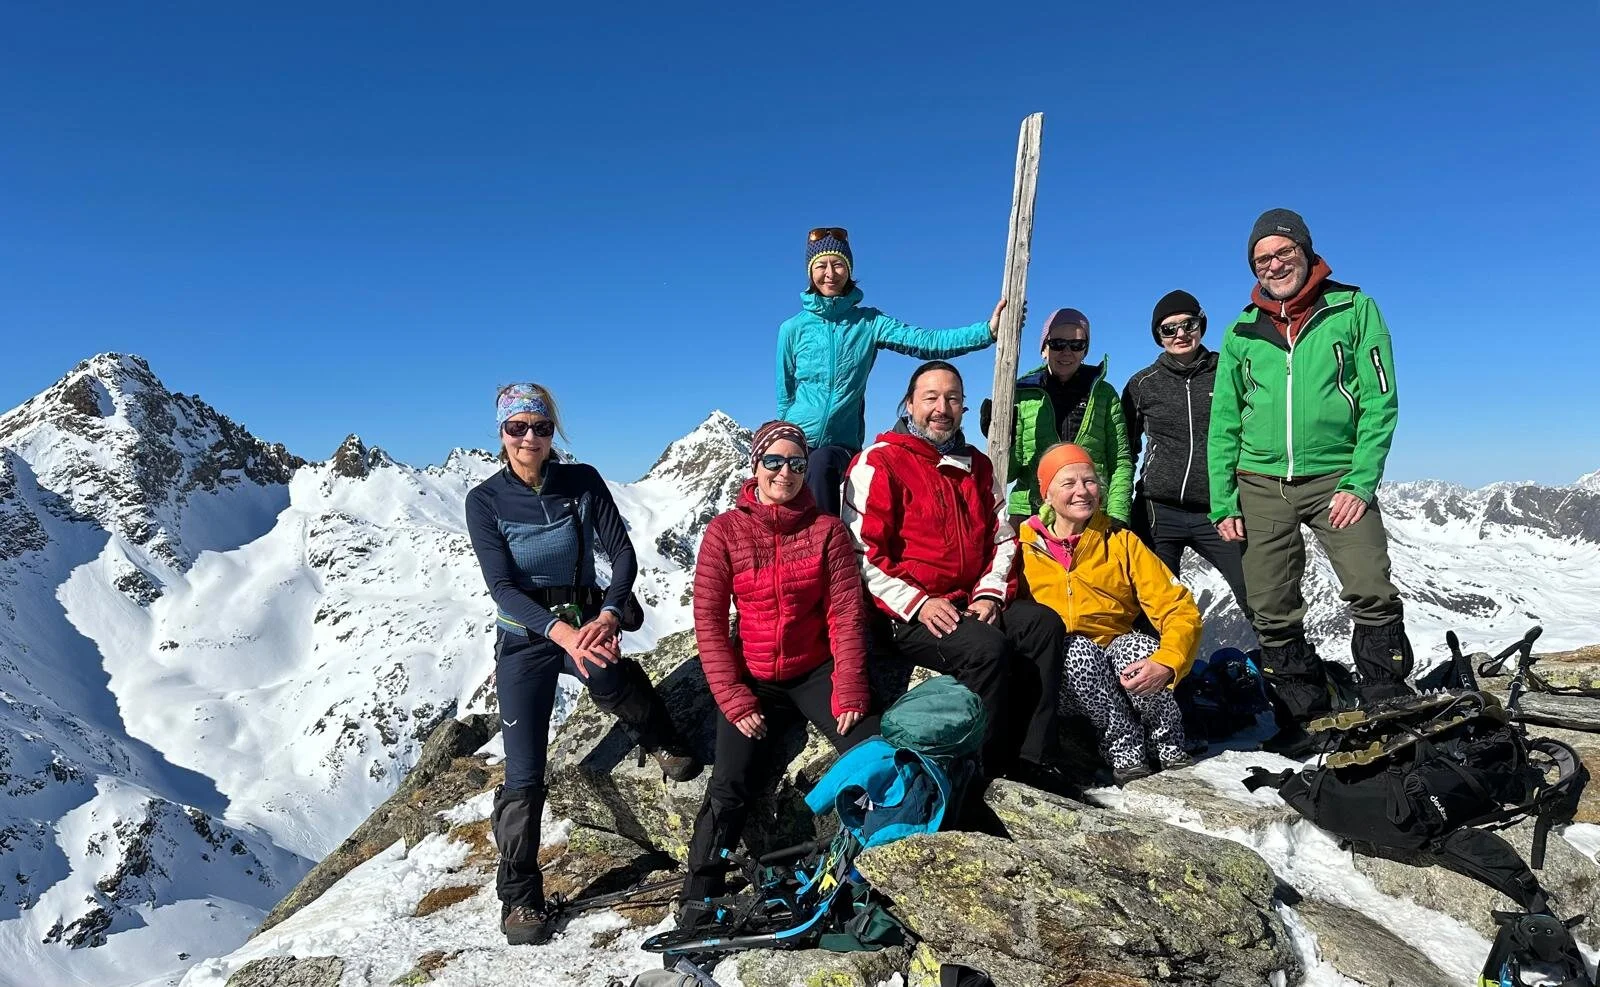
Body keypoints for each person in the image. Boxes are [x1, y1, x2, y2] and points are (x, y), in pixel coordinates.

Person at [466, 383, 701, 947]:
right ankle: (520, 897)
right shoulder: (485, 500)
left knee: (612, 679)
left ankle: (659, 737)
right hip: (526, 638)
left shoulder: (582, 482)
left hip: (586, 618)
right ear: (501, 433)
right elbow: (502, 587)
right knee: (524, 775)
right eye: (517, 427)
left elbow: (621, 553)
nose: (529, 437)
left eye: (540, 427)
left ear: (554, 433)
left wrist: (612, 612)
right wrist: (562, 634)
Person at [1208, 208, 1412, 756]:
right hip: (1259, 481)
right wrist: (1223, 498)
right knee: (1270, 606)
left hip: (1337, 475)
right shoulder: (1242, 330)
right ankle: (1305, 718)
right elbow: (1224, 421)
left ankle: (1387, 703)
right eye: (1261, 259)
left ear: (1306, 251)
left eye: (1283, 252)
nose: (1274, 265)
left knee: (1370, 586)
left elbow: (1380, 402)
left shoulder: (1354, 308)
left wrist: (1360, 482)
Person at [680, 420, 878, 915]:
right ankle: (698, 896)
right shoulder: (725, 531)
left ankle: (875, 871)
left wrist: (850, 685)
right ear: (755, 465)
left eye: (796, 463)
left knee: (872, 755)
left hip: (814, 671)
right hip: (753, 675)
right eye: (774, 461)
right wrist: (734, 697)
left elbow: (845, 614)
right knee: (729, 784)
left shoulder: (826, 531)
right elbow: (709, 621)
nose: (784, 472)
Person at [841, 360, 1065, 782]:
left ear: (963, 407)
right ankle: (976, 772)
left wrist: (989, 594)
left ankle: (1034, 759)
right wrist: (919, 603)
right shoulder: (879, 463)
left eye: (953, 398)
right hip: (906, 613)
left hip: (969, 600)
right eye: (931, 398)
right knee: (986, 649)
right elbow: (862, 554)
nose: (942, 408)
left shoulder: (978, 465)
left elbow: (1002, 539)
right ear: (909, 405)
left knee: (1043, 626)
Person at [776, 227, 1013, 515]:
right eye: (821, 265)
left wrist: (987, 332)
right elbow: (785, 394)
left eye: (838, 264)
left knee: (821, 464)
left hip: (839, 446)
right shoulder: (792, 329)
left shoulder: (868, 322)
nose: (830, 273)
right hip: (798, 439)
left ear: (849, 270)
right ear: (810, 272)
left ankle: (828, 540)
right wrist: (785, 437)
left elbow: (926, 342)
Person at [1016, 443, 1203, 785]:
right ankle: (1123, 746)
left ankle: (1167, 742)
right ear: (1047, 495)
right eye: (1068, 483)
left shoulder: (1121, 541)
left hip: (1116, 656)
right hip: (1064, 674)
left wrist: (1168, 661)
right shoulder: (1024, 547)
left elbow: (1177, 607)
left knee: (1139, 648)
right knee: (1075, 651)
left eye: (1089, 481)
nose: (1082, 491)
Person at [1122, 290, 1255, 630]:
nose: (1180, 334)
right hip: (1158, 510)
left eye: (1188, 324)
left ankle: (1283, 662)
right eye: (1169, 329)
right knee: (1153, 608)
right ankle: (1156, 667)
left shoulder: (1227, 372)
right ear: (1158, 335)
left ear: (1201, 325)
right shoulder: (1142, 385)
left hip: (1218, 509)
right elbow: (1127, 449)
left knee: (1256, 593)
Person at [984, 307, 1133, 529]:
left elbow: (1120, 460)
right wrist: (1004, 439)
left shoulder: (1104, 394)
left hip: (1088, 511)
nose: (1067, 352)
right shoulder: (1022, 395)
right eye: (1057, 344)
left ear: (1085, 350)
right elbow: (1009, 474)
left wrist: (1117, 514)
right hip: (1031, 513)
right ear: (1044, 349)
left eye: (1076, 345)